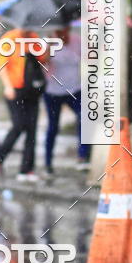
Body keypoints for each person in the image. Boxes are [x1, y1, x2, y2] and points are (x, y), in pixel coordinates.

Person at [0, 28, 47, 181]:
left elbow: (43, 60)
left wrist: (46, 45)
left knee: (32, 129)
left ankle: (26, 170)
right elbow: (2, 65)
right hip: (15, 91)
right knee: (19, 125)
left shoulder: (34, 37)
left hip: (32, 90)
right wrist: (8, 86)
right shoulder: (9, 39)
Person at [42, 25, 90, 175]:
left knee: (84, 118)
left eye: (65, 30)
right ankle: (48, 162)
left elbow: (90, 57)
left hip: (74, 89)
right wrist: (50, 44)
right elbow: (43, 60)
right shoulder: (48, 42)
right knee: (53, 127)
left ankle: (83, 157)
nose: (63, 34)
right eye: (59, 31)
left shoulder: (77, 41)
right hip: (53, 91)